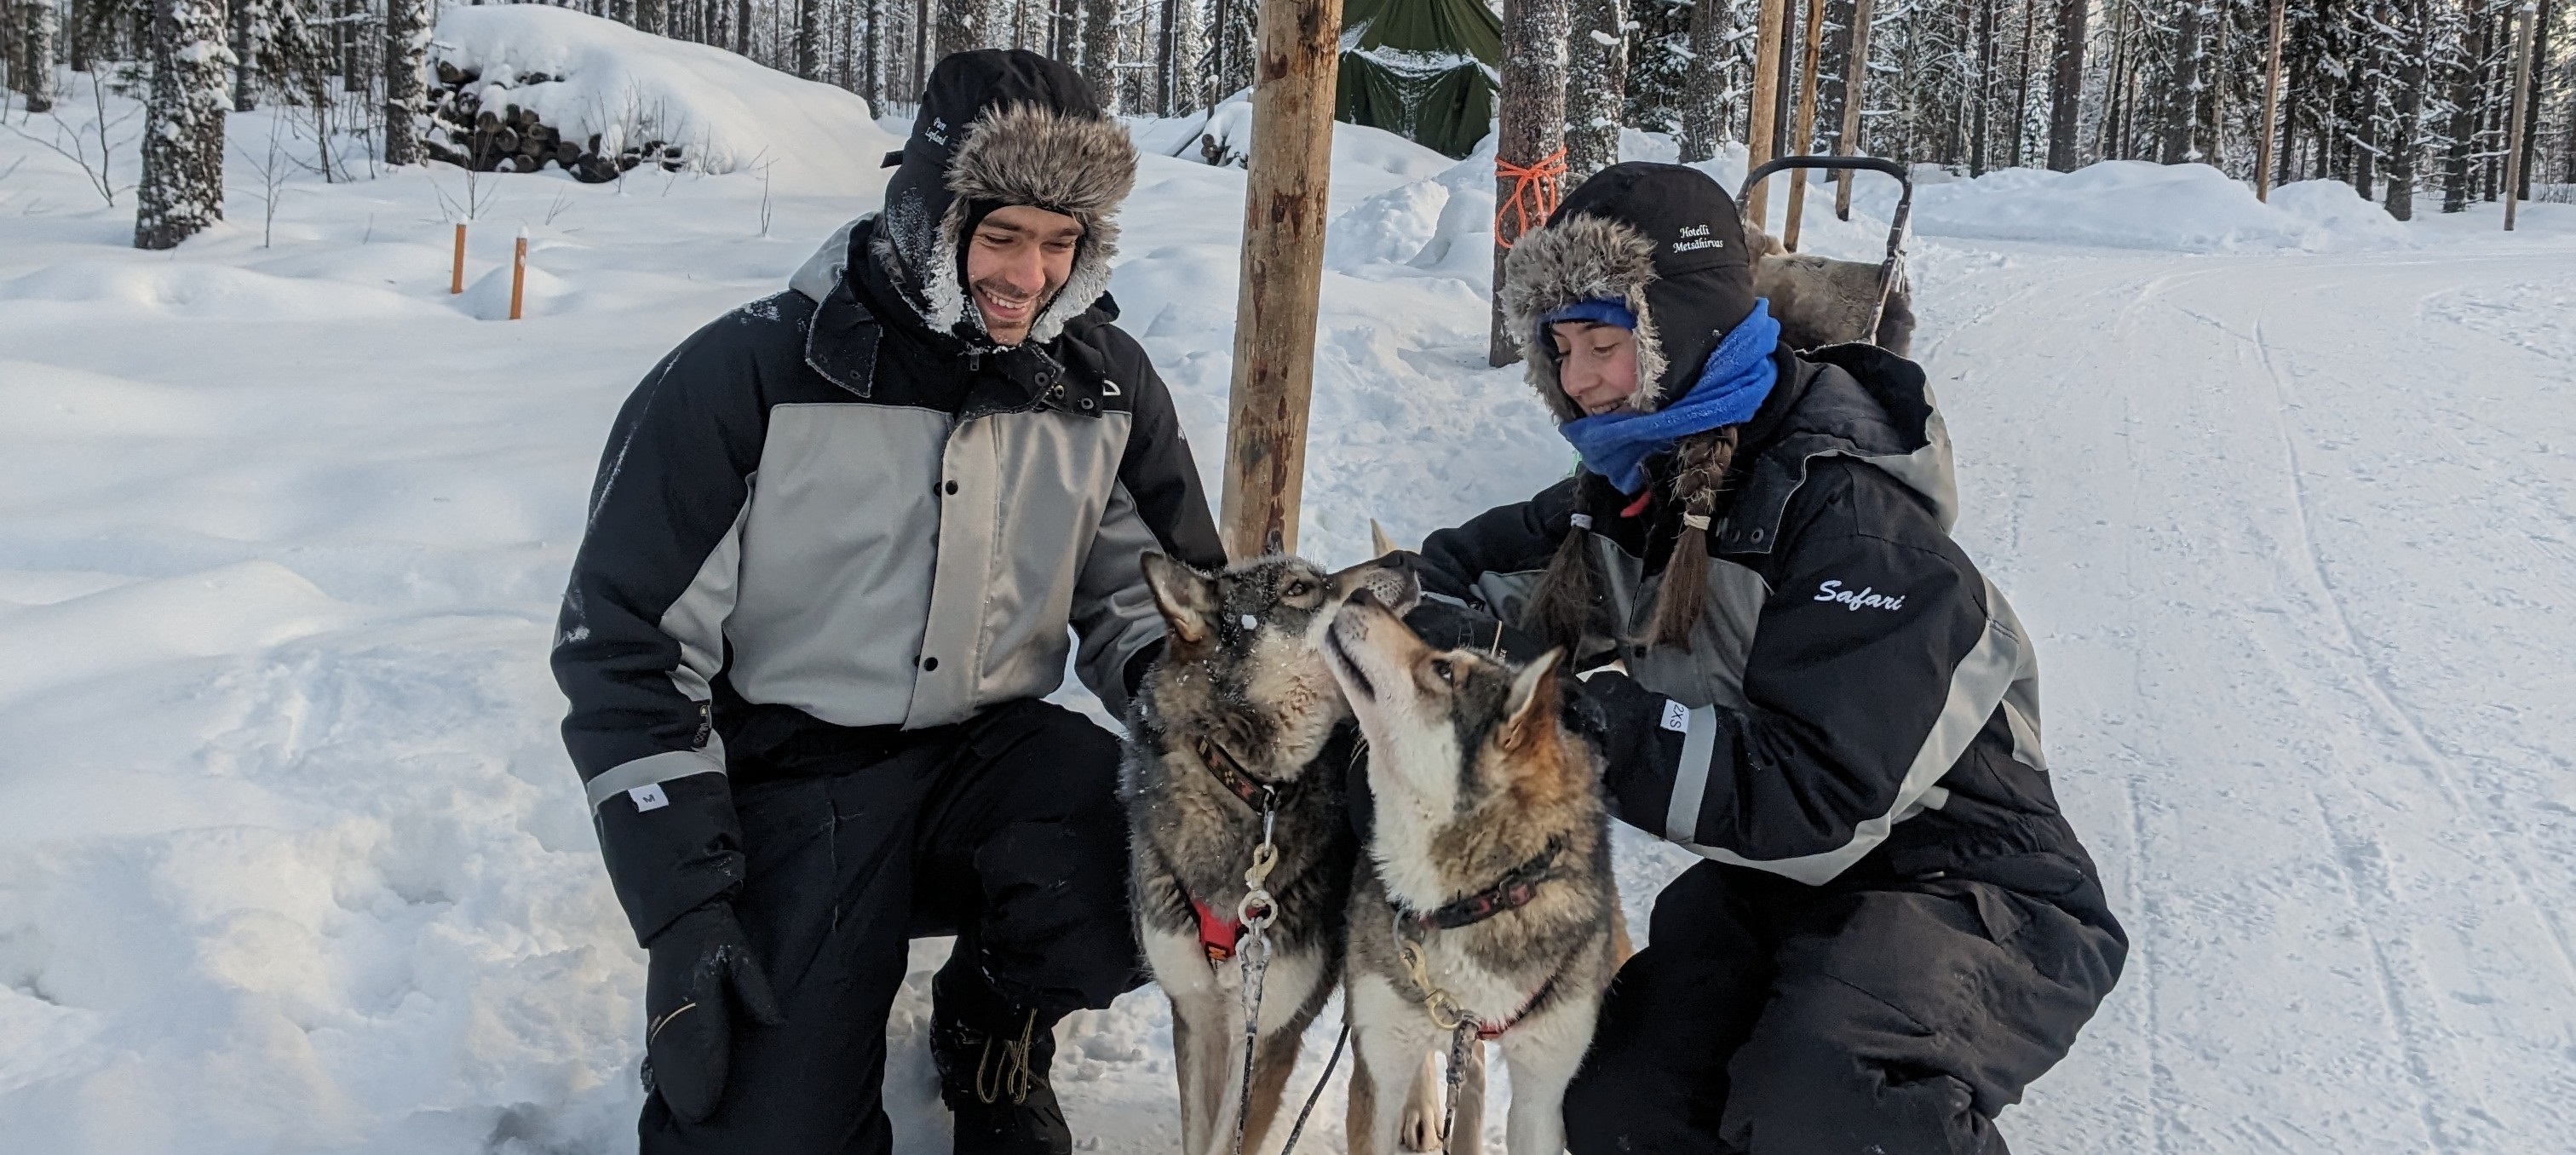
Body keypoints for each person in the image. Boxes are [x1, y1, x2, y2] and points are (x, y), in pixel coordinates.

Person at [549, 50, 1222, 1155]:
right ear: (927, 210)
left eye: (1063, 245)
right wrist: (683, 908)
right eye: (1002, 235)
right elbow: (625, 647)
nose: (1030, 276)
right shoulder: (750, 377)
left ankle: (993, 1024)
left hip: (991, 761)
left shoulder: (1102, 387)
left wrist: (1193, 712)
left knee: (1160, 844)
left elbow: (1155, 600)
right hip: (794, 784)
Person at [1390, 163, 2128, 1154]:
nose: (1577, 382)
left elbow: (1814, 799)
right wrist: (1396, 629)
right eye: (1559, 349)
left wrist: (1557, 721)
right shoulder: (1633, 486)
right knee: (1619, 1103)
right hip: (1778, 889)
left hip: (1970, 881)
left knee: (1827, 1102)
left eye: (1606, 345)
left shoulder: (1853, 516)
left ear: (1683, 331)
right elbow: (1454, 577)